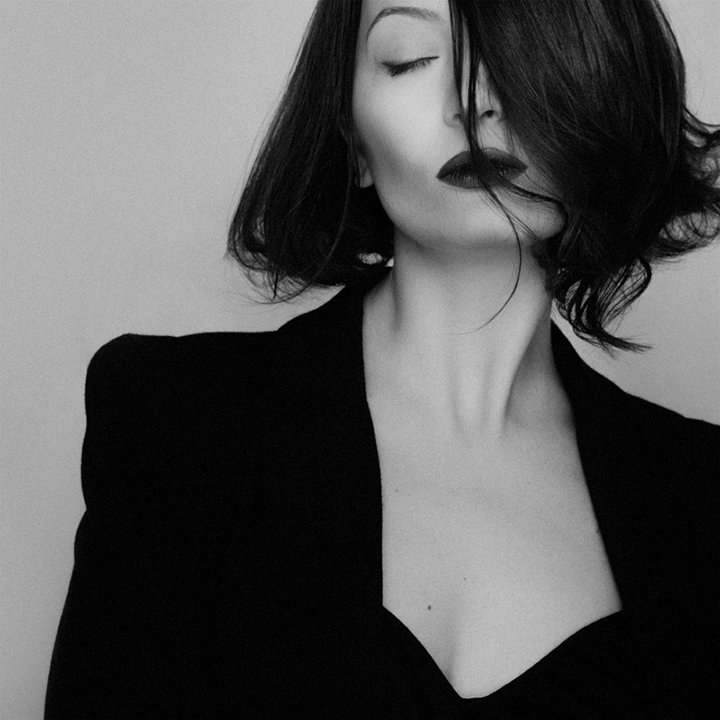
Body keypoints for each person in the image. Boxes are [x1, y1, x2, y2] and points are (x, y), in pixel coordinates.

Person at [45, 0, 719, 718]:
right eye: (410, 59)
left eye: (521, 51)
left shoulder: (700, 498)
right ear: (355, 142)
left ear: (601, 90)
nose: (473, 102)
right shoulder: (177, 421)